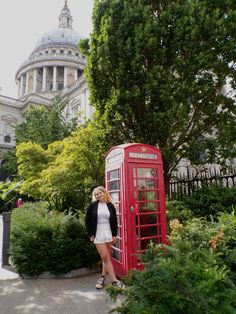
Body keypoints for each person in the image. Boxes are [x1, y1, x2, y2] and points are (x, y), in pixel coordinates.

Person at [85, 186, 125, 289]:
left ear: (104, 193)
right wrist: (91, 235)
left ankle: (102, 277)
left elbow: (114, 221)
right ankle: (115, 281)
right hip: (98, 234)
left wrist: (114, 235)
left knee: (106, 258)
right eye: (96, 194)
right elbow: (87, 221)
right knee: (106, 257)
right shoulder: (92, 206)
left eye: (100, 193)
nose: (98, 195)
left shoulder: (110, 205)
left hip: (108, 233)